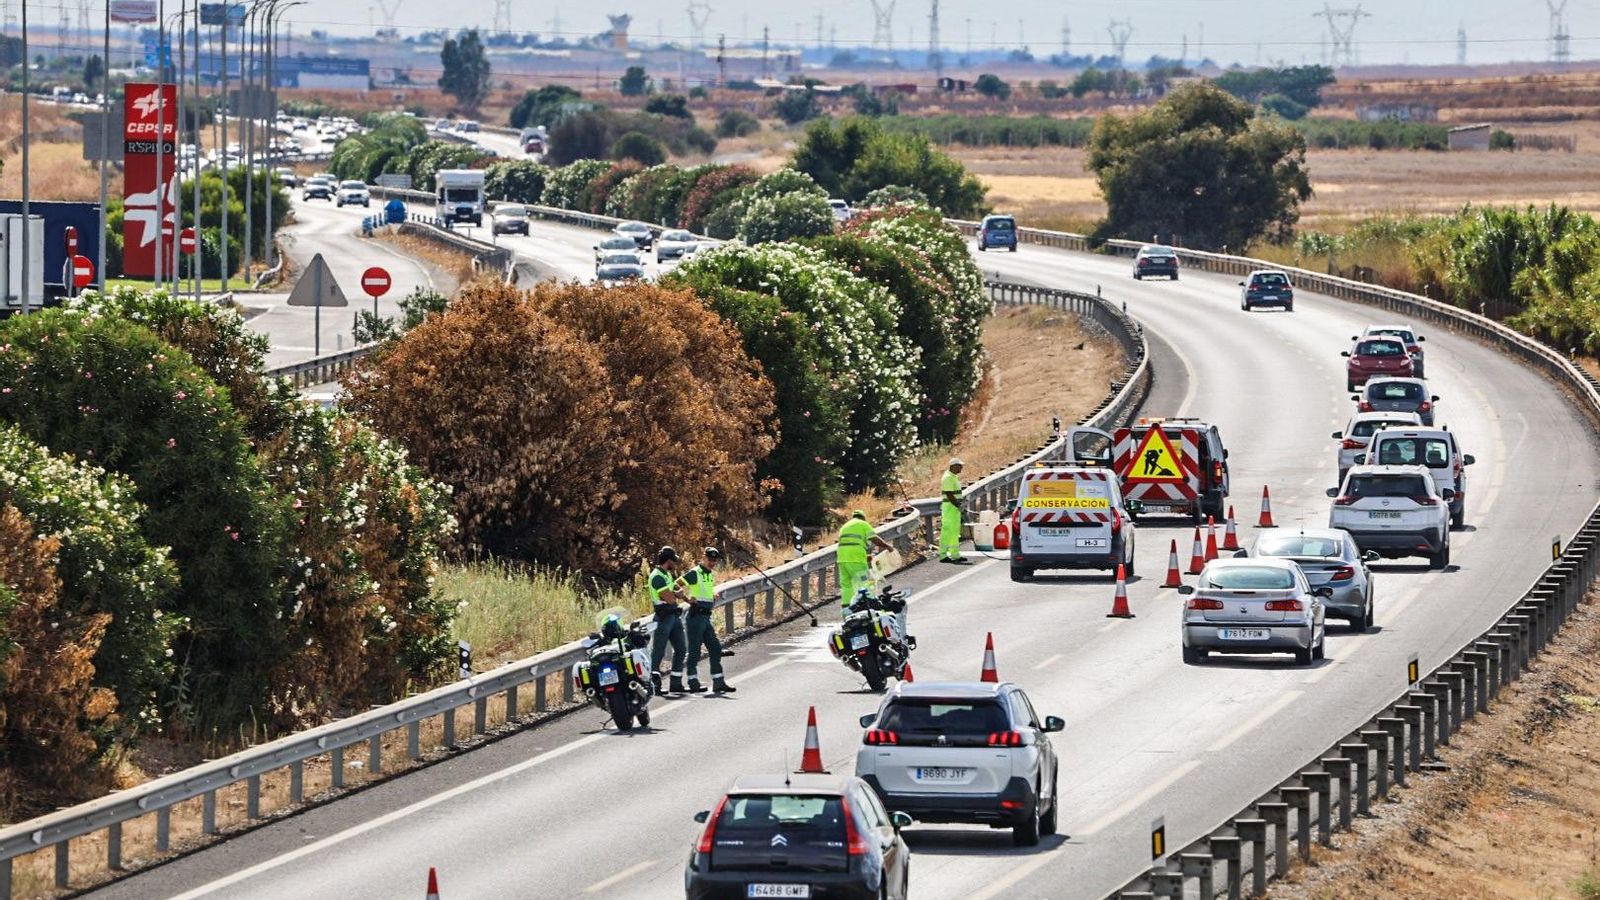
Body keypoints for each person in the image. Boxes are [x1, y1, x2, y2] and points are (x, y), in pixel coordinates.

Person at [681, 547, 736, 694]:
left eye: (714, 560)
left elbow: (704, 590)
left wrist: (713, 594)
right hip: (695, 617)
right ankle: (693, 683)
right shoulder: (695, 573)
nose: (712, 562)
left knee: (715, 649)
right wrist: (686, 599)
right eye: (709, 559)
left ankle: (718, 682)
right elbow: (675, 586)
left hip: (705, 617)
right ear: (703, 557)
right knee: (694, 652)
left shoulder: (709, 574)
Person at [647, 546, 689, 693]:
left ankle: (676, 683)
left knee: (681, 649)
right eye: (674, 561)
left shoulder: (667, 574)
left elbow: (674, 591)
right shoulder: (657, 576)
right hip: (663, 617)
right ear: (668, 561)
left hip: (673, 616)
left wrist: (686, 599)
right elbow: (670, 598)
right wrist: (677, 594)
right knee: (658, 652)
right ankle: (654, 686)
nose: (675, 564)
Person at [837, 510, 891, 605]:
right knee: (864, 581)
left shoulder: (844, 527)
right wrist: (887, 546)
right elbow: (874, 539)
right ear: (863, 518)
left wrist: (865, 557)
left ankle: (846, 606)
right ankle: (869, 603)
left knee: (846, 584)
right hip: (856, 557)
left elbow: (849, 544)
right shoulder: (863, 524)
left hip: (842, 558)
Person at [940, 458, 971, 564]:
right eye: (960, 466)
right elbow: (949, 494)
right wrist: (958, 505)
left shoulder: (953, 477)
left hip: (954, 509)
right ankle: (943, 555)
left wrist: (959, 505)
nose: (961, 468)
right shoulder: (948, 478)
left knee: (954, 532)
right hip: (950, 508)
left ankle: (955, 554)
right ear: (953, 466)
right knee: (948, 531)